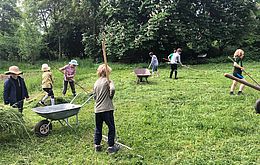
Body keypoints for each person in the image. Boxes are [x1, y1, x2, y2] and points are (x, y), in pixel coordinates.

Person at [93, 64, 119, 153]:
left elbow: (94, 96)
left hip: (97, 109)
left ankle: (97, 145)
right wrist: (110, 96)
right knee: (111, 127)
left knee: (98, 127)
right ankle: (111, 147)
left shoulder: (96, 82)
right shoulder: (108, 81)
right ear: (107, 72)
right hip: (107, 109)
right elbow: (113, 89)